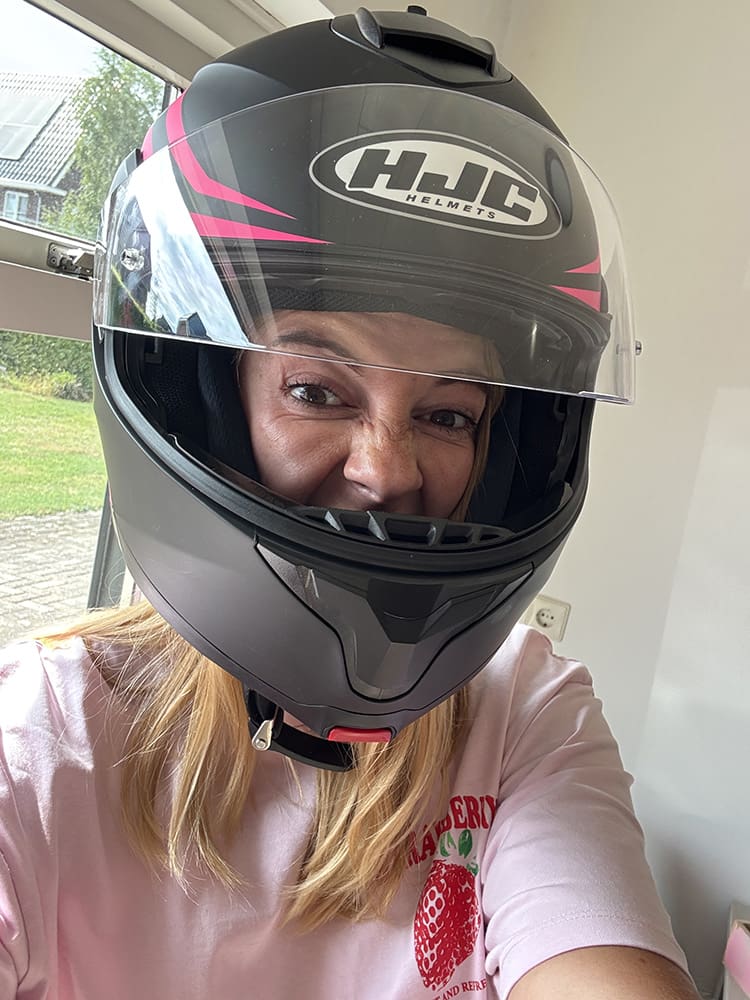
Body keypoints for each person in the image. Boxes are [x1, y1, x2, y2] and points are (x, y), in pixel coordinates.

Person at [0, 7, 700, 999]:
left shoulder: (523, 713)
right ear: (207, 402)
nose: (386, 471)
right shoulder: (39, 740)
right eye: (317, 391)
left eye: (448, 414)